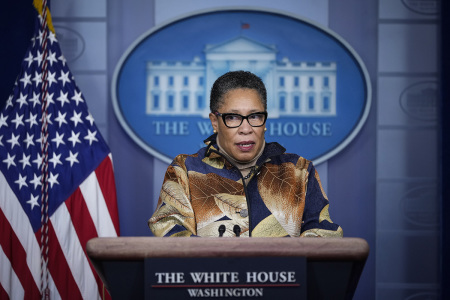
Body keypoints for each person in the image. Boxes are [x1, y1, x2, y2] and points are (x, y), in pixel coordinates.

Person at [148, 70, 343, 238]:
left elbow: (323, 236)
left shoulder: (299, 171)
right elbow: (171, 235)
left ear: (265, 121)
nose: (246, 128)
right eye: (233, 117)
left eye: (255, 116)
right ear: (214, 122)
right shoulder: (185, 171)